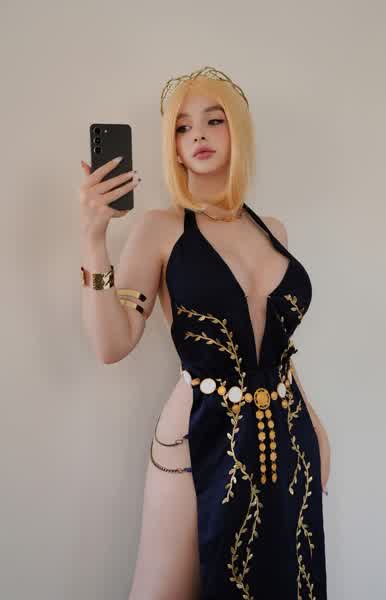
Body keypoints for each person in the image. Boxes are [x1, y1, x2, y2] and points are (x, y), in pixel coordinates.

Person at [80, 66, 331, 600]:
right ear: (172, 146)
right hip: (198, 435)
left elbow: (278, 348)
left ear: (238, 130)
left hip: (287, 438)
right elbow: (112, 344)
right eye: (182, 126)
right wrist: (93, 240)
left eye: (214, 120)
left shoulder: (274, 231)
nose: (197, 134)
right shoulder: (160, 229)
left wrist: (313, 423)